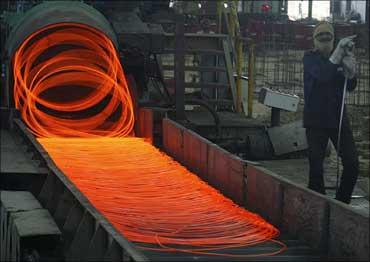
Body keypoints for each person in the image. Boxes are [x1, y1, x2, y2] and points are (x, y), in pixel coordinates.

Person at [303, 21, 359, 204]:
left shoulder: (340, 58)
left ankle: (342, 204)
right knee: (316, 169)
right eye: (321, 37)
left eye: (329, 37)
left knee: (352, 164)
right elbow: (323, 75)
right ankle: (317, 205)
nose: (325, 41)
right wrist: (337, 56)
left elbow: (349, 87)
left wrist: (351, 72)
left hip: (338, 118)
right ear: (314, 41)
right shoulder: (309, 58)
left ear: (334, 39)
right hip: (316, 120)